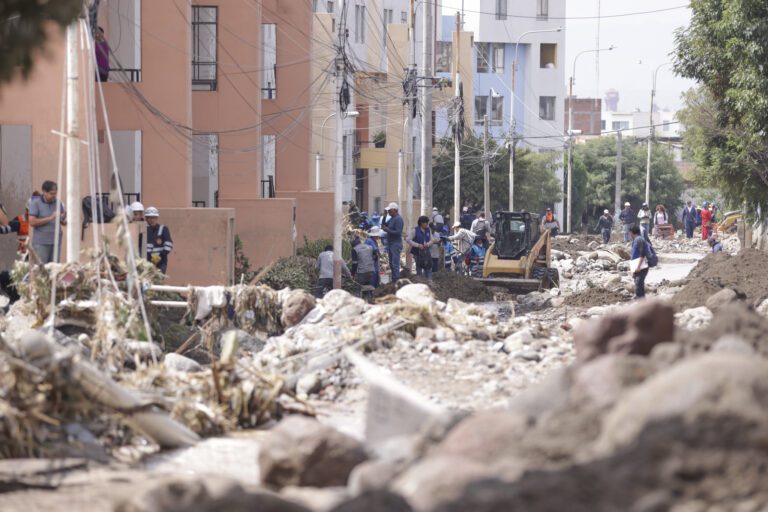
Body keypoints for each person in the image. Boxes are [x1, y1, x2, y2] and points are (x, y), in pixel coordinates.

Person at [29, 181, 66, 264]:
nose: (54, 196)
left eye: (55, 193)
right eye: (51, 193)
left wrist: (63, 218)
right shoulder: (35, 203)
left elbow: (62, 221)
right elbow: (32, 222)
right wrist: (50, 218)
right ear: (44, 192)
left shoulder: (58, 203)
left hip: (56, 241)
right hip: (41, 243)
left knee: (54, 271)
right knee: (41, 270)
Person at [144, 207, 173, 274]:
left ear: (157, 218)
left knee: (158, 280)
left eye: (154, 217)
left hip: (161, 262)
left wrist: (160, 256)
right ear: (146, 218)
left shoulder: (163, 229)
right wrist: (149, 258)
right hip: (147, 261)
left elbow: (168, 245)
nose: (152, 220)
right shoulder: (144, 230)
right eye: (150, 218)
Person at [381, 202, 404, 282]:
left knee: (395, 264)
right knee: (391, 263)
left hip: (395, 244)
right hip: (391, 243)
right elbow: (383, 225)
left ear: (395, 210)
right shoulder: (392, 218)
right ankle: (394, 279)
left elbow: (398, 232)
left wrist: (387, 230)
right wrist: (384, 216)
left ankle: (396, 280)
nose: (389, 212)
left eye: (390, 210)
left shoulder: (398, 219)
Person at [408, 216, 434, 280]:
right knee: (419, 267)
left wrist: (427, 244)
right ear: (421, 223)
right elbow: (408, 239)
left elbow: (432, 240)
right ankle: (420, 282)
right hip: (417, 252)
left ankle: (429, 281)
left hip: (426, 251)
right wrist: (417, 245)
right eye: (426, 223)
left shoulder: (428, 230)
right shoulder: (415, 230)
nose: (427, 224)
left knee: (428, 267)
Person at [629, 225, 649, 299]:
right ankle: (643, 304)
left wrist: (638, 267)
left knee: (638, 286)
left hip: (641, 267)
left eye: (629, 233)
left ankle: (641, 303)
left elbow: (642, 254)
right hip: (637, 266)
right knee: (639, 286)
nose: (629, 235)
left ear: (632, 232)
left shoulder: (639, 240)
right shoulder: (635, 240)